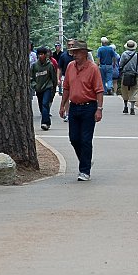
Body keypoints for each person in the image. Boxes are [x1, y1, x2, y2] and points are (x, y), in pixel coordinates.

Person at [59, 39, 104, 181]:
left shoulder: (93, 68)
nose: (74, 55)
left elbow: (99, 90)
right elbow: (66, 87)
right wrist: (62, 105)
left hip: (89, 107)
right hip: (74, 107)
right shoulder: (70, 66)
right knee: (74, 138)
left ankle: (84, 171)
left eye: (77, 52)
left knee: (85, 139)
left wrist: (99, 109)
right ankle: (85, 159)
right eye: (73, 52)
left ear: (85, 53)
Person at [30, 46, 57, 130]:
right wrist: (34, 85)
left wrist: (53, 89)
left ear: (46, 55)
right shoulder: (35, 66)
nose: (40, 56)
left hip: (47, 87)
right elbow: (31, 77)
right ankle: (47, 121)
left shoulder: (50, 65)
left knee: (45, 104)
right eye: (39, 54)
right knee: (42, 106)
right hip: (38, 88)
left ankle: (45, 123)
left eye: (42, 54)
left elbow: (53, 78)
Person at [117, 39, 138, 114]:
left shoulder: (124, 54)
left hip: (125, 75)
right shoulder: (137, 55)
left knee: (124, 90)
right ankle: (132, 108)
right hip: (135, 75)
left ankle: (125, 106)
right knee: (134, 91)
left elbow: (121, 64)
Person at [57, 42, 74, 117]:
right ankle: (68, 113)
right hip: (65, 77)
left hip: (76, 78)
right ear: (67, 46)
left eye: (72, 45)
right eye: (69, 45)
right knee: (66, 95)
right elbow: (59, 68)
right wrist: (58, 79)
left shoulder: (77, 55)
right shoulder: (63, 56)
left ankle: (74, 112)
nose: (71, 46)